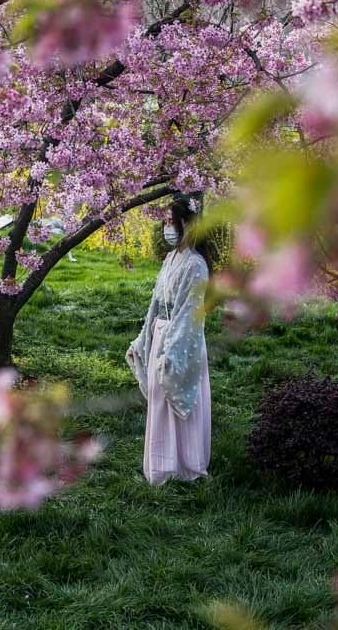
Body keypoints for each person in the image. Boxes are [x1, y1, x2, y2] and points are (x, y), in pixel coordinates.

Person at [126, 192, 212, 485]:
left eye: (169, 222)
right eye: (164, 222)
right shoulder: (170, 258)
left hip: (182, 341)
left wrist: (171, 351)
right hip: (161, 334)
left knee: (174, 396)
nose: (166, 228)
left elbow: (189, 314)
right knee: (159, 400)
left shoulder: (196, 265)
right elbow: (156, 302)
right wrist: (143, 339)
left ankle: (183, 465)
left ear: (186, 223)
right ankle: (162, 464)